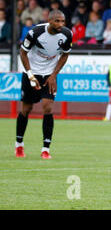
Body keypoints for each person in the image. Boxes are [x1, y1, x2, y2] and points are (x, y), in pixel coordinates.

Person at [15, 10, 72, 159]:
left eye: (63, 21)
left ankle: (45, 149)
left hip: (49, 75)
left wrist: (54, 75)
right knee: (26, 109)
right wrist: (30, 75)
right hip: (31, 73)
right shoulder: (35, 32)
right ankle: (19, 145)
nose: (61, 24)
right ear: (50, 21)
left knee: (48, 107)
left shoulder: (67, 34)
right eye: (57, 21)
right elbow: (22, 52)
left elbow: (65, 54)